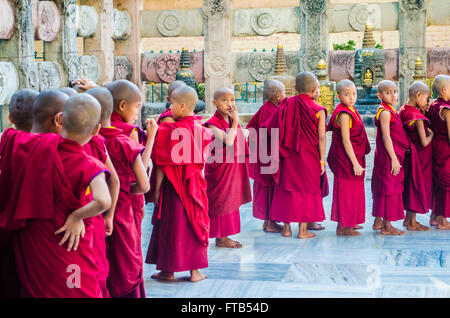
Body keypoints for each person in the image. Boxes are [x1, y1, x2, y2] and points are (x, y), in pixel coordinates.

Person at [0, 93, 112, 297]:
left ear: (61, 119)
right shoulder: (88, 164)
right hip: (67, 240)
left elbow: (12, 133)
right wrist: (77, 216)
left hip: (35, 241)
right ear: (96, 130)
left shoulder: (18, 142)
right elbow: (104, 200)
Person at [146, 85, 210, 282]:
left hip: (173, 188)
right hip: (195, 186)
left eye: (172, 104)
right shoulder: (202, 129)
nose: (170, 107)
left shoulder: (169, 130)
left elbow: (161, 166)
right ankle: (195, 272)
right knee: (194, 224)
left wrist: (155, 191)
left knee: (172, 227)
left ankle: (168, 271)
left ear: (181, 106)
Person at [100, 83, 155, 298]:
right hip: (124, 207)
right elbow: (142, 177)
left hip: (98, 208)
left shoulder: (92, 136)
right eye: (137, 107)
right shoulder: (127, 134)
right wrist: (150, 138)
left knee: (107, 259)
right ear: (122, 106)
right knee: (127, 263)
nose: (137, 113)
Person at [264, 72, 327, 239]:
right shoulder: (318, 110)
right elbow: (322, 137)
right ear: (314, 90)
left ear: (295, 89)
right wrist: (322, 160)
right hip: (309, 156)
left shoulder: (286, 104)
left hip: (288, 155)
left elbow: (271, 128)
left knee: (287, 190)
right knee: (306, 190)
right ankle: (303, 230)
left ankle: (286, 229)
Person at [83, 87, 122, 297]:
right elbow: (114, 181)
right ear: (96, 127)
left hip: (72, 221)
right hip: (95, 218)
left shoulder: (54, 147)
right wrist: (110, 216)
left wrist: (75, 216)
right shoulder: (97, 142)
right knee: (95, 270)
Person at [204, 87, 252, 248]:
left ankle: (225, 235)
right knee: (220, 201)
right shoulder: (212, 124)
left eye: (232, 100)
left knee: (230, 199)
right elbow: (229, 141)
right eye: (224, 100)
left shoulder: (230, 121)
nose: (229, 104)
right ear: (214, 103)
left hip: (231, 167)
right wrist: (237, 121)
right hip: (219, 169)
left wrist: (234, 122)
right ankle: (220, 237)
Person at [327, 80, 371, 236]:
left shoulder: (350, 109)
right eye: (347, 94)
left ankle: (350, 221)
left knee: (354, 191)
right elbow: (346, 140)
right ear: (338, 96)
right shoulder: (344, 114)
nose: (352, 97)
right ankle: (344, 227)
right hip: (346, 159)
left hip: (353, 156)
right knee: (347, 192)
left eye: (354, 94)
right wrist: (355, 163)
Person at [246, 80, 285, 233]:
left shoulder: (267, 108)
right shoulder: (270, 111)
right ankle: (269, 222)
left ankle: (269, 221)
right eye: (284, 93)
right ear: (277, 96)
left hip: (264, 155)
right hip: (267, 157)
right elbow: (272, 132)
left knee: (268, 189)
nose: (285, 96)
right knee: (269, 188)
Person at [372, 80, 409, 235]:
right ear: (380, 95)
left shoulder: (390, 110)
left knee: (385, 187)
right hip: (388, 156)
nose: (393, 95)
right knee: (390, 188)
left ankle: (378, 221)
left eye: (395, 92)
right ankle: (387, 226)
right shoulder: (385, 112)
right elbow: (386, 137)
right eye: (388, 92)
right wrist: (394, 158)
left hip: (389, 155)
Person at [399, 82, 433, 231]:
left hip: (409, 154)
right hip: (419, 157)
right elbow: (424, 142)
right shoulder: (417, 116)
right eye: (427, 99)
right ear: (418, 95)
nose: (427, 103)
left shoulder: (404, 109)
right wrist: (432, 134)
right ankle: (411, 222)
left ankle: (408, 219)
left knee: (410, 184)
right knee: (416, 185)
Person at [427, 75, 450, 229]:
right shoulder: (446, 110)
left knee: (438, 182)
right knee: (446, 184)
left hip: (435, 149)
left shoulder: (433, 106)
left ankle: (435, 216)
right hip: (446, 150)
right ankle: (443, 220)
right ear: (444, 90)